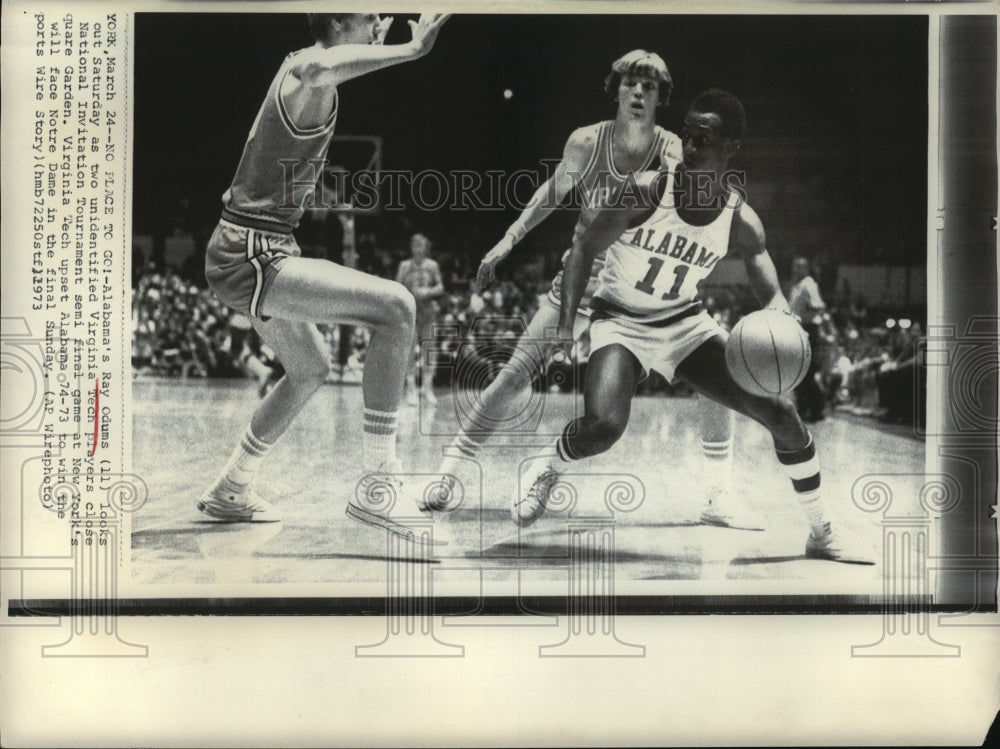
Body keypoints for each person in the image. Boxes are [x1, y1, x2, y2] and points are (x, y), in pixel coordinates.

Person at [515, 89, 873, 564]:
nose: (689, 144)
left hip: (684, 325)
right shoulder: (645, 190)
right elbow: (582, 248)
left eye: (703, 138)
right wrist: (565, 325)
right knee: (604, 427)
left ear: (731, 149)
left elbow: (764, 276)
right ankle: (550, 463)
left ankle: (822, 530)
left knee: (782, 416)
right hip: (620, 320)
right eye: (686, 134)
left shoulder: (739, 219)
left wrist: (780, 312)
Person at [433, 51, 755, 529]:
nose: (639, 93)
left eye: (650, 86)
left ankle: (717, 494)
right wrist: (508, 240)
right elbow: (552, 192)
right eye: (631, 83)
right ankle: (448, 474)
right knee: (512, 377)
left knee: (716, 379)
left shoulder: (676, 149)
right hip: (581, 284)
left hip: (637, 295)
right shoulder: (586, 141)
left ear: (662, 97)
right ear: (617, 89)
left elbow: (703, 209)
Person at [198, 12, 451, 538]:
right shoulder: (308, 69)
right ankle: (379, 488)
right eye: (370, 14)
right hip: (252, 252)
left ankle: (231, 487)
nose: (381, 19)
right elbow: (321, 67)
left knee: (309, 367)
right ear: (338, 20)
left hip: (251, 247)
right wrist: (412, 50)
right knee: (397, 306)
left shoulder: (310, 77)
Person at [396, 232, 445, 405]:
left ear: (426, 247)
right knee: (409, 350)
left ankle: (427, 388)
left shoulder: (432, 266)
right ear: (411, 247)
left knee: (430, 351)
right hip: (411, 312)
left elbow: (440, 287)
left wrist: (427, 292)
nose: (418, 248)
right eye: (415, 245)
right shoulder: (404, 266)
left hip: (428, 313)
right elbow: (397, 287)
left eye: (421, 245)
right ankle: (410, 388)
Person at [789, 256, 828, 421]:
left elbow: (818, 306)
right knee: (799, 373)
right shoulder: (796, 286)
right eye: (794, 266)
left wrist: (804, 314)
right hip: (798, 330)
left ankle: (817, 409)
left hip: (809, 330)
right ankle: (802, 408)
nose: (795, 270)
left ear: (805, 269)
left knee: (808, 373)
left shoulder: (808, 284)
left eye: (799, 267)